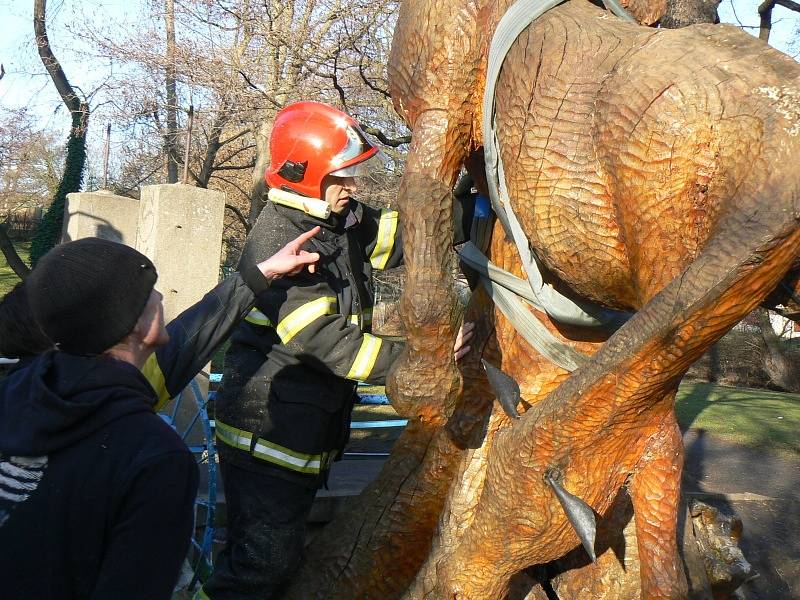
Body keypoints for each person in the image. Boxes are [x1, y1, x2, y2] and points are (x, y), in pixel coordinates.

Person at [200, 101, 475, 599]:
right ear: (304, 174)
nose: (354, 187)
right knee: (259, 570)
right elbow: (324, 340)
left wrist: (461, 199)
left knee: (269, 564)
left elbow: (399, 238)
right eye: (341, 176)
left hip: (300, 429)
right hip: (269, 436)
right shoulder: (281, 237)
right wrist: (420, 359)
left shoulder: (337, 219)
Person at [0, 231, 320, 600]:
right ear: (128, 321)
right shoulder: (154, 458)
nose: (160, 295)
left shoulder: (20, 396)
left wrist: (261, 274)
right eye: (147, 290)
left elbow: (190, 337)